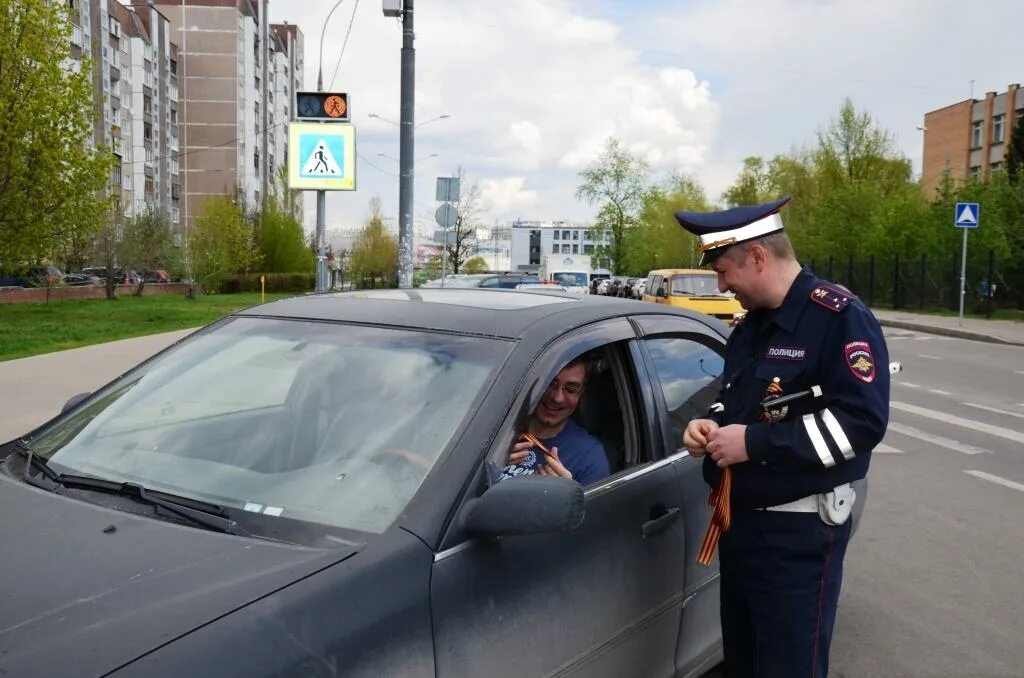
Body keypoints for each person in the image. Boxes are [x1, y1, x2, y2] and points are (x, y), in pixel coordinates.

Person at [676, 197, 890, 678]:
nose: (721, 284)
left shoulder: (838, 318)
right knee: (745, 663)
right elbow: (737, 402)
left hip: (798, 539)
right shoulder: (751, 326)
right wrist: (707, 425)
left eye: (725, 270)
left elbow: (861, 422)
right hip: (743, 528)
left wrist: (753, 444)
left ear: (757, 256)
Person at [502, 356, 611, 486]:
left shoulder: (589, 456)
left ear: (581, 393)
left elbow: (589, 507)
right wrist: (494, 463)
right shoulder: (500, 430)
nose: (557, 398)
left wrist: (566, 494)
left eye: (571, 389)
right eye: (551, 383)